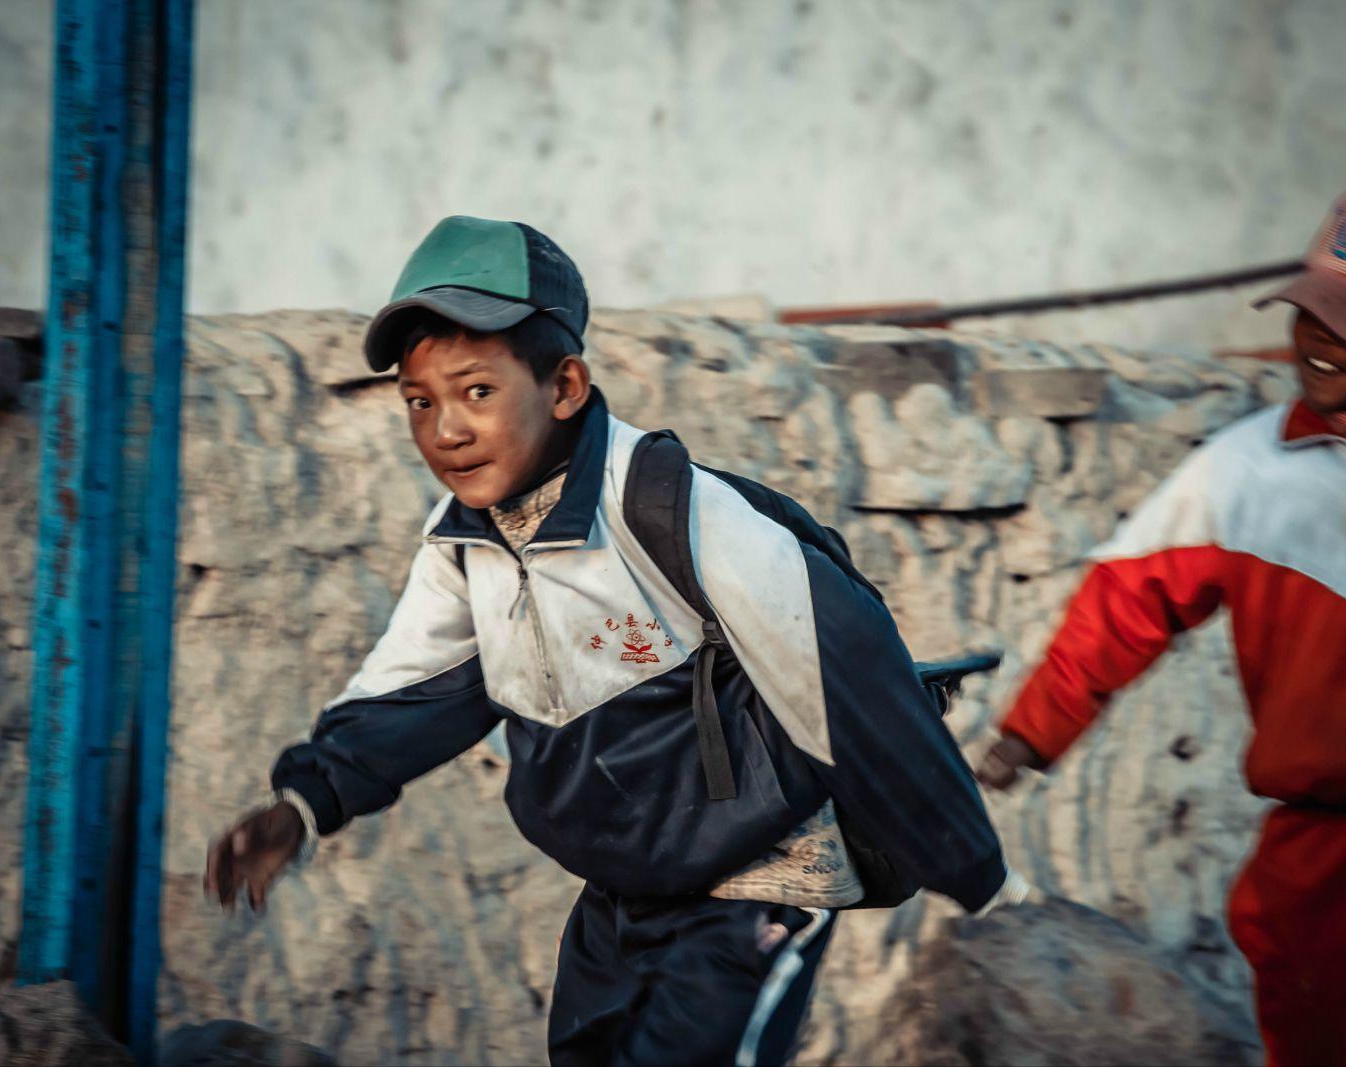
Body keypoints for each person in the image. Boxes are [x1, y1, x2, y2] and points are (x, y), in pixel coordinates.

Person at [204, 215, 1017, 1066]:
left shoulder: (669, 507)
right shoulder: (469, 545)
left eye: (477, 391)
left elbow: (846, 669)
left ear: (565, 387)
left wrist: (978, 873)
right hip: (627, 885)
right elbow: (408, 691)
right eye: (421, 401)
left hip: (759, 879)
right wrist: (300, 807)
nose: (445, 429)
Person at [977, 190, 1346, 1066]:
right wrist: (1028, 735)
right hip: (1316, 864)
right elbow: (1120, 608)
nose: (1318, 343)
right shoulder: (1240, 469)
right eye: (1310, 314)